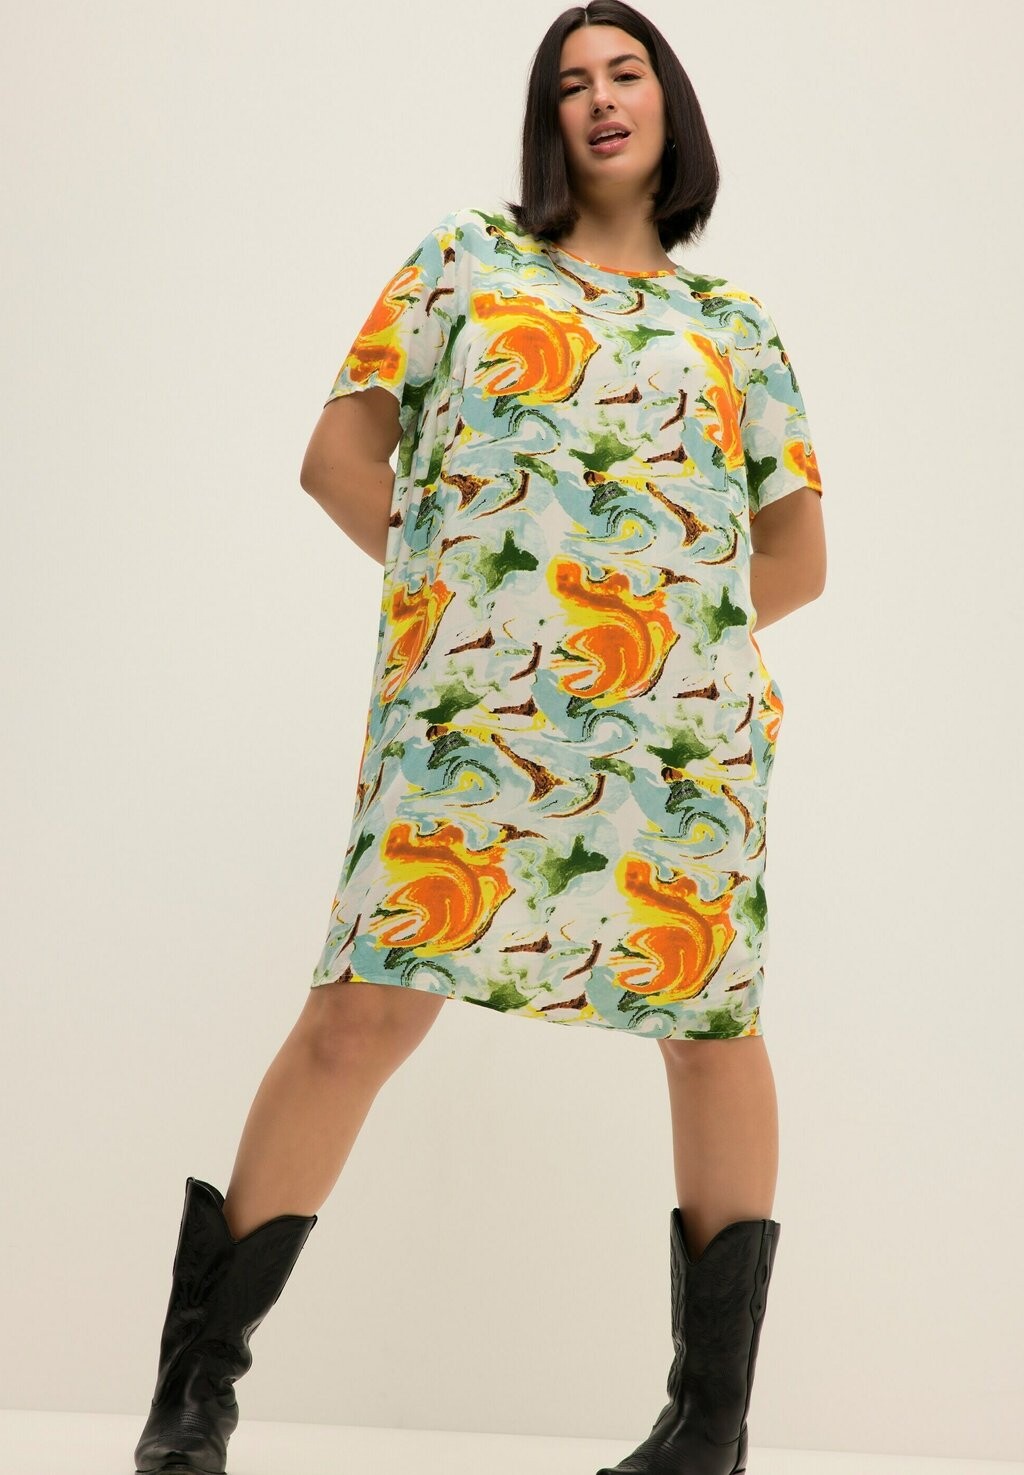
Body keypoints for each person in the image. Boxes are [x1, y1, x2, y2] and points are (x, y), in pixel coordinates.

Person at [133, 3, 827, 1472]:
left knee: (709, 1035)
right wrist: (475, 600)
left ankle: (707, 1429)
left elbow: (797, 557)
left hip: (673, 743)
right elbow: (338, 458)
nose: (601, 97)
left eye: (626, 71)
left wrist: (661, 639)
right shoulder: (466, 259)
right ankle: (194, 1396)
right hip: (468, 711)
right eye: (570, 82)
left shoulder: (737, 326)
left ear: (670, 103)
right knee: (356, 1017)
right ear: (546, 119)